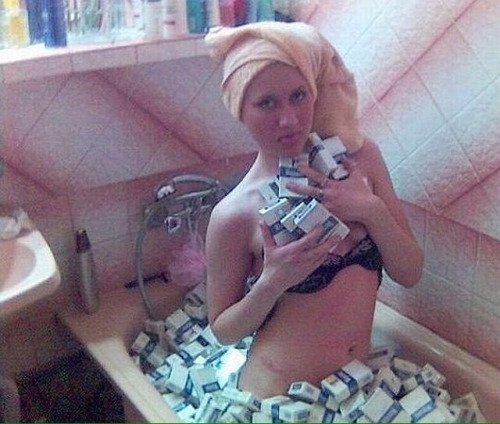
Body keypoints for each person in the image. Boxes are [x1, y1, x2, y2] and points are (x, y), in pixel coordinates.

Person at [204, 21, 423, 398]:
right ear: (240, 110)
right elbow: (224, 331)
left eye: (299, 95)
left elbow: (410, 273)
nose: (289, 119)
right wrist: (272, 282)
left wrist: (370, 209)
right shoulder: (234, 213)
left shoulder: (362, 161)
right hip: (279, 398)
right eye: (266, 103)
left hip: (356, 390)